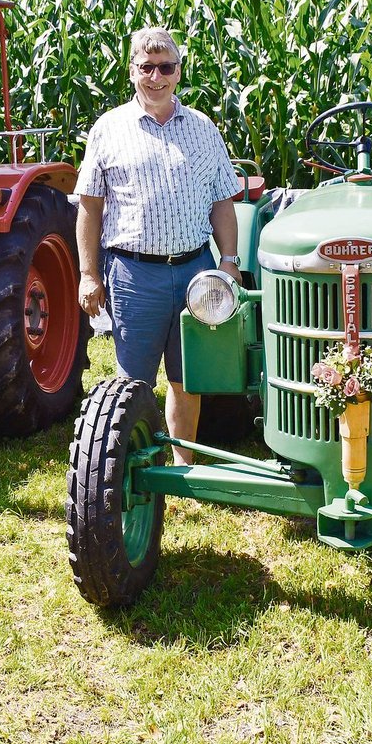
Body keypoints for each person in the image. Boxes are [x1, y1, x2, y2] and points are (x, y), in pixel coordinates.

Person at [74, 27, 243, 466]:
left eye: (165, 67)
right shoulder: (108, 129)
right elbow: (90, 208)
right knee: (134, 384)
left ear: (178, 72)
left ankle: (184, 467)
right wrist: (89, 274)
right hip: (134, 274)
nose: (156, 76)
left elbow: (223, 200)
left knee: (189, 379)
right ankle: (141, 472)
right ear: (132, 70)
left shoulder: (203, 129)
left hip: (195, 272)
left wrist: (229, 261)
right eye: (146, 67)